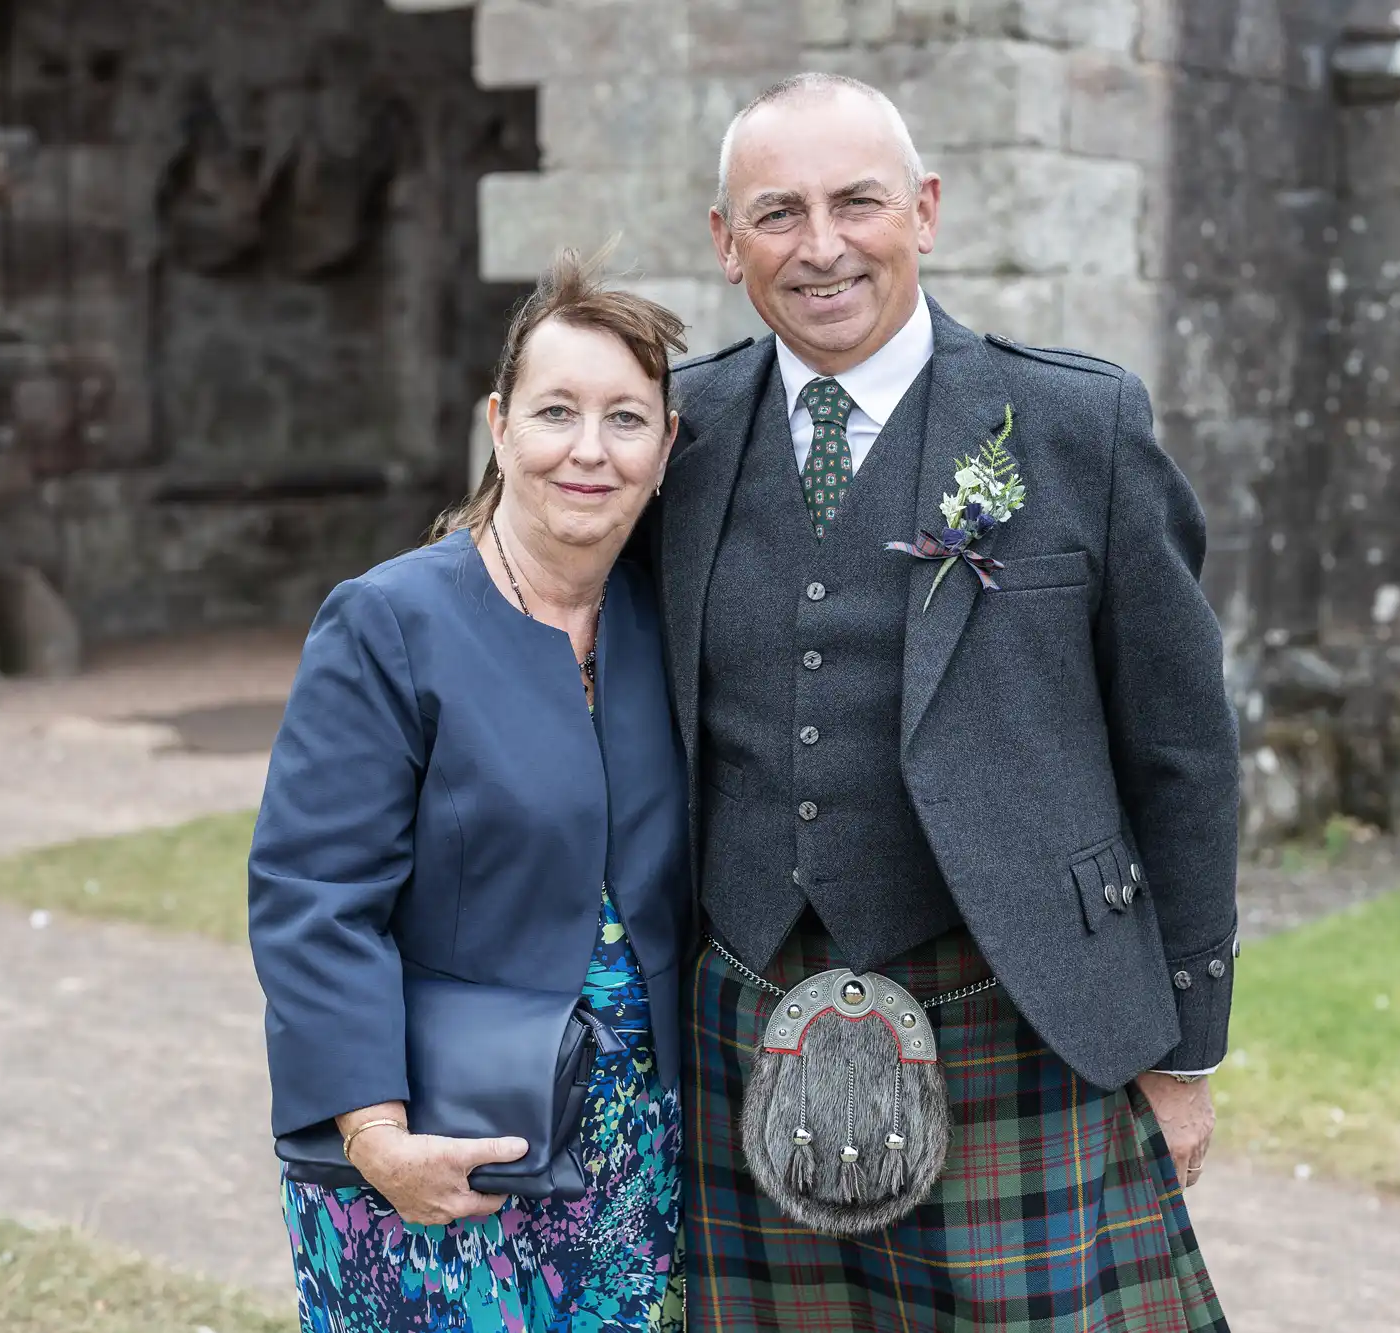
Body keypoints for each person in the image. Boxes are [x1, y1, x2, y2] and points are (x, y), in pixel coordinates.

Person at [655, 74, 1240, 1330]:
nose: (820, 246)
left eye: (855, 201)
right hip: (738, 1007)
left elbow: (1182, 747)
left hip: (1012, 1008)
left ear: (922, 209)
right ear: (723, 243)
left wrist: (1183, 1049)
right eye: (775, 213)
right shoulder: (676, 433)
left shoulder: (1078, 423)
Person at [248, 250, 692, 1331]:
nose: (589, 449)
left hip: (637, 1159)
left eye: (625, 419)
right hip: (437, 1153)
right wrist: (375, 1135)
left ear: (666, 446)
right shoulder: (389, 621)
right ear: (499, 424)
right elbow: (313, 894)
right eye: (556, 412)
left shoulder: (665, 620)